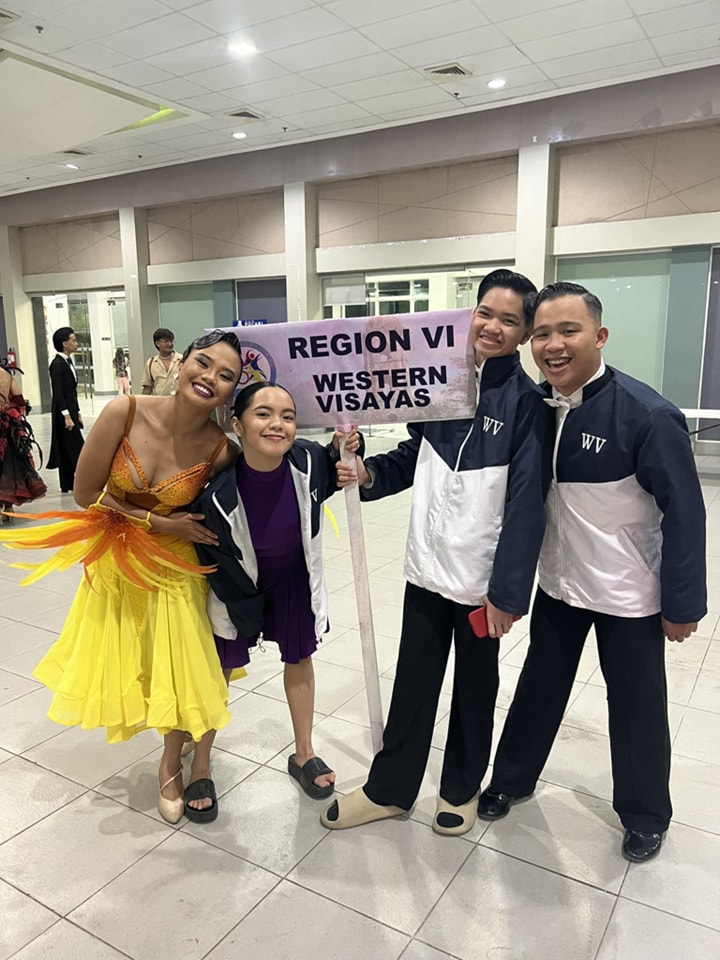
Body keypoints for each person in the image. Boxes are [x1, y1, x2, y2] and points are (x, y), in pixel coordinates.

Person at [477, 282, 707, 864]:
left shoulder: (647, 415)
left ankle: (645, 814)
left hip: (628, 591)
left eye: (568, 331)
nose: (553, 345)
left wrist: (683, 604)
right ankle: (511, 779)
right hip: (559, 585)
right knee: (538, 689)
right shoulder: (536, 407)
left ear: (599, 336)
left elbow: (686, 512)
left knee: (636, 706)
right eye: (541, 334)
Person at [321, 269, 552, 836]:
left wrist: (507, 593)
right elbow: (414, 454)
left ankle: (460, 788)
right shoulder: (441, 382)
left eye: (509, 320)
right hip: (425, 567)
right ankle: (390, 789)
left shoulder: (529, 404)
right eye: (485, 313)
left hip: (480, 581)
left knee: (475, 687)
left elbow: (527, 504)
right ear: (470, 314)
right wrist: (368, 472)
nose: (492, 327)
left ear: (524, 334)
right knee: (414, 680)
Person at [0, 331, 246, 826]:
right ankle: (174, 748)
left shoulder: (221, 448)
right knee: (140, 664)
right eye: (203, 363)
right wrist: (159, 522)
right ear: (182, 363)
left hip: (177, 567)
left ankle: (174, 763)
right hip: (117, 561)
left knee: (181, 666)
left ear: (231, 391)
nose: (209, 378)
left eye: (226, 375)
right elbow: (85, 493)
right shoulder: (125, 412)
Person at [192, 381, 361, 805]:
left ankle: (304, 753)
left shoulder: (308, 460)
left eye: (287, 416)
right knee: (219, 669)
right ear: (237, 425)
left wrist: (342, 449)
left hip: (294, 581)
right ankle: (200, 765)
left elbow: (334, 470)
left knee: (299, 659)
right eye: (263, 414)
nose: (277, 425)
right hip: (237, 587)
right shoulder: (216, 492)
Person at [0, 360, 46, 520]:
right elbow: (19, 399)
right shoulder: (6, 374)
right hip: (8, 424)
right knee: (10, 465)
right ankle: (8, 507)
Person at [48, 326, 84, 493]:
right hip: (63, 412)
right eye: (73, 340)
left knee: (67, 446)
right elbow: (58, 392)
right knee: (76, 447)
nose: (76, 343)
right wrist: (66, 415)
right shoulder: (57, 364)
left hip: (71, 410)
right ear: (64, 344)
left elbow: (71, 393)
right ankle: (82, 480)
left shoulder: (67, 362)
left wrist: (77, 412)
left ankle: (67, 484)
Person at [142, 328, 182, 396]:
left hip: (179, 401)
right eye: (166, 341)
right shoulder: (151, 363)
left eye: (171, 341)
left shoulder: (182, 360)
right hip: (159, 401)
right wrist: (142, 402)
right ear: (157, 343)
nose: (170, 344)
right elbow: (147, 387)